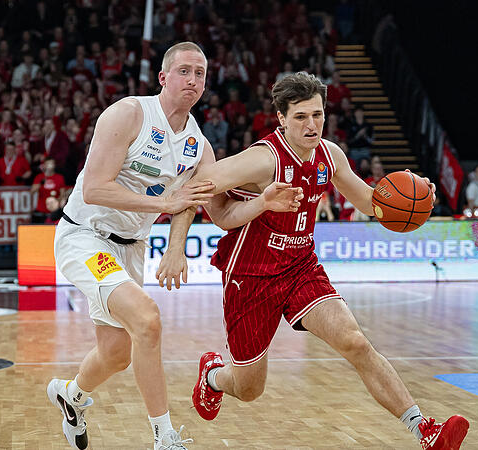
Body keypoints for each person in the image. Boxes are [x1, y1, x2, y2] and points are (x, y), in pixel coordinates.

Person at [189, 72, 469, 450]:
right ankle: (213, 377)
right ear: (282, 119)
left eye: (318, 115)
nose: (312, 125)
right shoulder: (263, 159)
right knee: (249, 388)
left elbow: (372, 203)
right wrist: (177, 244)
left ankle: (425, 430)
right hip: (251, 275)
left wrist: (415, 195)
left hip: (301, 266)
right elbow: (201, 182)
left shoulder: (330, 155)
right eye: (301, 116)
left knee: (355, 342)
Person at [46, 42, 302, 450]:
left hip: (132, 248)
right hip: (84, 236)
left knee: (116, 354)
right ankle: (165, 438)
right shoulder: (128, 114)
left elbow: (203, 206)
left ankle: (70, 394)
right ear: (164, 77)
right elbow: (95, 188)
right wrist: (162, 203)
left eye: (200, 74)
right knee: (147, 319)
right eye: (184, 71)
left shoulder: (199, 146)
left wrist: (178, 246)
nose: (193, 80)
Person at [31, 158, 66, 223]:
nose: (50, 166)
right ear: (44, 165)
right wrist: (41, 182)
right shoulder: (39, 177)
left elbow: (62, 194)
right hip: (41, 211)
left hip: (54, 212)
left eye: (51, 163)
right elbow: (32, 191)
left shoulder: (59, 177)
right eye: (48, 164)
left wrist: (56, 203)